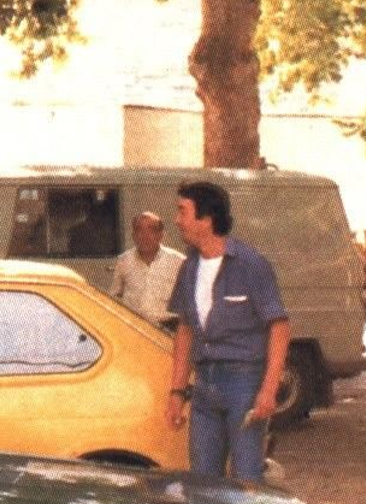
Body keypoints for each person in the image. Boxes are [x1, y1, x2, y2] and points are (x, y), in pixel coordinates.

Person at [164, 181, 290, 482]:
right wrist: (177, 391)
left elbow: (279, 327)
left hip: (244, 383)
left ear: (206, 220)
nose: (177, 220)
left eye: (183, 212)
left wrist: (269, 390)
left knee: (247, 479)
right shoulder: (189, 267)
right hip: (204, 385)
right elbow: (185, 330)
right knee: (203, 482)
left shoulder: (250, 264)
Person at [109, 211, 186, 325]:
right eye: (139, 230)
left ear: (161, 235)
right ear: (133, 235)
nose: (145, 236)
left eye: (152, 230)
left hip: (168, 327)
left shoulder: (179, 261)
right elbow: (114, 297)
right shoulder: (124, 261)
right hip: (135, 327)